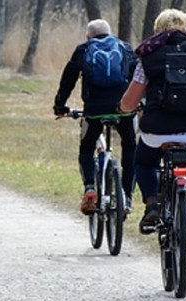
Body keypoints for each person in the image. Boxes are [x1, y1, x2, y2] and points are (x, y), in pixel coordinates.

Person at [117, 9, 186, 270]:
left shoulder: (148, 54)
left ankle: (152, 203)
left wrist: (124, 109)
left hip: (157, 131)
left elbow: (130, 101)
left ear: (158, 29)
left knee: (143, 163)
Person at [53, 19, 138, 215]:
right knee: (130, 145)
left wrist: (60, 106)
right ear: (110, 33)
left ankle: (90, 187)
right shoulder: (125, 48)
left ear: (88, 36)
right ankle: (126, 195)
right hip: (124, 109)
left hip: (94, 110)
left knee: (87, 146)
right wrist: (140, 103)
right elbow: (139, 77)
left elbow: (68, 79)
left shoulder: (84, 49)